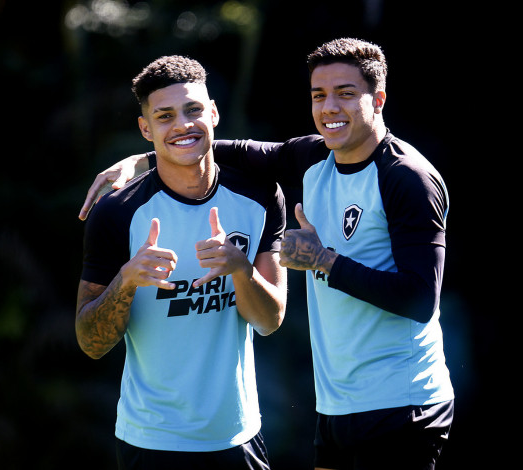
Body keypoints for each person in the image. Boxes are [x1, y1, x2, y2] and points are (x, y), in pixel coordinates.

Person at [80, 38, 454, 470]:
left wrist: (323, 260)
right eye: (319, 95)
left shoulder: (408, 177)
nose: (329, 107)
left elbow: (420, 299)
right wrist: (142, 160)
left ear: (379, 98)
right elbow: (215, 147)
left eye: (346, 93)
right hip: (336, 406)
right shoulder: (315, 156)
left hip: (402, 405)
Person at [76, 55, 287, 470]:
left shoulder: (260, 195)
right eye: (165, 116)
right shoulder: (117, 212)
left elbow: (270, 320)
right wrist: (126, 281)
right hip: (151, 443)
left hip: (238, 437)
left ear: (213, 112)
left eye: (193, 110)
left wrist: (241, 271)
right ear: (146, 129)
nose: (183, 125)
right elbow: (91, 343)